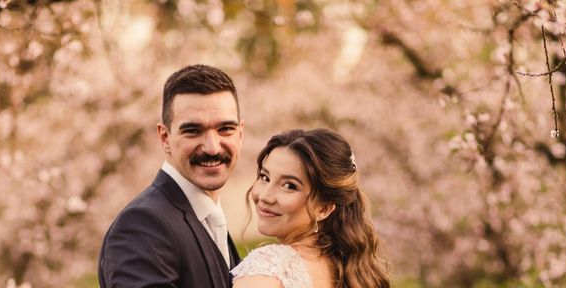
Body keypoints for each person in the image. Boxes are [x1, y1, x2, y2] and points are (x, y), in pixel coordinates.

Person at [98, 64, 244, 288]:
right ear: (165, 137)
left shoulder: (210, 217)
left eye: (225, 129)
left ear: (240, 134)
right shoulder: (142, 225)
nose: (213, 147)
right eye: (193, 130)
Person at [232, 128, 390, 288]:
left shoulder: (266, 268)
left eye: (289, 186)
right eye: (265, 177)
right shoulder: (350, 273)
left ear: (324, 208)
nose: (265, 196)